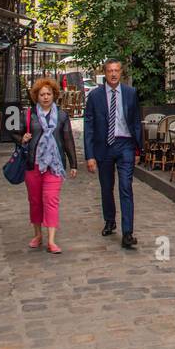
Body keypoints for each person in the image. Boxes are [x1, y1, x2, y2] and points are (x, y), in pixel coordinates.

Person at [83, 59, 143, 250]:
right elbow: (89, 126)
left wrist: (137, 149)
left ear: (121, 72)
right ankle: (110, 220)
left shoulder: (130, 93)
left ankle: (127, 233)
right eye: (110, 71)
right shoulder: (95, 96)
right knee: (106, 187)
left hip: (125, 144)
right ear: (105, 73)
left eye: (117, 70)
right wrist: (89, 155)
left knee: (126, 187)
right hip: (104, 147)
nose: (114, 74)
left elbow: (135, 122)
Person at [22, 76, 78, 254]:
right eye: (41, 94)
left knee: (51, 200)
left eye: (48, 94)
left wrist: (73, 163)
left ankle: (51, 240)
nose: (45, 97)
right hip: (34, 164)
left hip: (54, 165)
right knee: (36, 201)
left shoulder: (61, 116)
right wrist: (22, 138)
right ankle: (38, 235)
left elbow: (68, 139)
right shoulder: (29, 115)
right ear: (36, 96)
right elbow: (14, 133)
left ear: (54, 95)